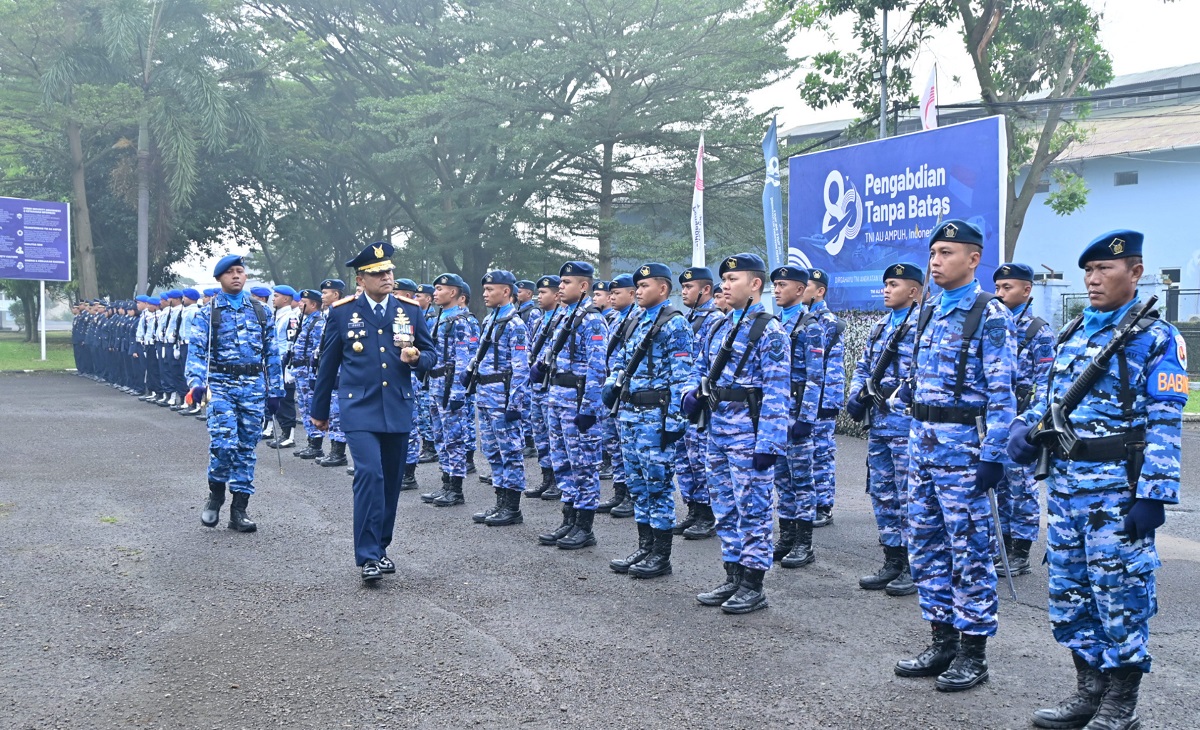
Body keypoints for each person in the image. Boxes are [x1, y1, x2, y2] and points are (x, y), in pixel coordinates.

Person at [1009, 231, 1184, 730]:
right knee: (1071, 596)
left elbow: (1165, 424)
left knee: (1120, 597)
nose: (1092, 279)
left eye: (1104, 270)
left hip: (1116, 495)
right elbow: (1047, 400)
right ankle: (1089, 694)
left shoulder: (1156, 338)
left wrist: (1153, 496)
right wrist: (1024, 426)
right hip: (1066, 492)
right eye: (1087, 271)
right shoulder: (1072, 335)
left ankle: (1119, 707)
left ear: (1135, 271)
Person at [893, 219, 1016, 692]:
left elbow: (1004, 396)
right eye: (933, 253)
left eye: (946, 252)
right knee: (925, 547)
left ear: (973, 258)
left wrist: (993, 456)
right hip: (922, 446)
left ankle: (972, 652)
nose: (936, 261)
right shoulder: (926, 310)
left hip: (964, 451)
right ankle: (941, 638)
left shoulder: (989, 314)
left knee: (968, 552)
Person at [310, 242, 435, 582]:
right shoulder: (341, 312)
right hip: (359, 407)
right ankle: (366, 556)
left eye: (389, 271)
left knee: (392, 481)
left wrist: (417, 358)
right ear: (360, 280)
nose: (387, 277)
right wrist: (319, 411)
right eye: (378, 273)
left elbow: (431, 355)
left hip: (397, 405)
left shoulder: (410, 310)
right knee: (370, 474)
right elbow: (328, 364)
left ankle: (380, 548)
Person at [682, 253, 789, 614]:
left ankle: (753, 583)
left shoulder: (769, 329)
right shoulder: (718, 325)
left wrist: (770, 443)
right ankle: (732, 574)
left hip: (749, 432)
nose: (725, 285)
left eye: (733, 279)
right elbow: (697, 370)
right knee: (725, 507)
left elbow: (777, 391)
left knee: (753, 509)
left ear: (755, 285)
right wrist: (690, 395)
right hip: (717, 429)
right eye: (724, 279)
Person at [604, 263, 693, 578]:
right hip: (629, 415)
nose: (638, 291)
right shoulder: (634, 320)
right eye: (636, 287)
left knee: (657, 486)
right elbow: (620, 359)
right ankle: (645, 546)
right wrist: (611, 383)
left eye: (644, 286)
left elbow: (684, 379)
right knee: (638, 485)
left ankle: (661, 555)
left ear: (663, 289)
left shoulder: (675, 324)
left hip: (655, 417)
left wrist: (674, 424)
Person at [186, 255, 285, 533]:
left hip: (253, 387)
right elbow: (196, 352)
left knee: (246, 449)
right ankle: (216, 493)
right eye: (230, 272)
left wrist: (275, 390)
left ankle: (239, 510)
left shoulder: (260, 311)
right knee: (224, 443)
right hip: (221, 386)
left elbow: (272, 354)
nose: (236, 276)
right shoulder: (208, 312)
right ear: (219, 278)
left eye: (240, 271)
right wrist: (196, 383)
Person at [846, 263, 923, 596]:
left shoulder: (925, 326)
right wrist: (856, 395)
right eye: (886, 284)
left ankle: (914, 565)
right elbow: (863, 367)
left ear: (914, 291)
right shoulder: (879, 327)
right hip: (879, 424)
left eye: (894, 284)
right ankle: (892, 558)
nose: (886, 290)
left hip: (908, 425)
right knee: (883, 492)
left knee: (910, 496)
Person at [532, 261, 608, 550]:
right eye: (560, 283)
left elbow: (597, 369)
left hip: (577, 405)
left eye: (566, 283)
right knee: (563, 464)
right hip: (556, 399)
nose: (560, 287)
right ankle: (569, 519)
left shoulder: (592, 319)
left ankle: (584, 527)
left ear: (584, 286)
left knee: (583, 466)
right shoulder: (564, 316)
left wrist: (589, 409)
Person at [991, 263, 1054, 577]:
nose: (1000, 294)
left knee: (1021, 487)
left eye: (1008, 288)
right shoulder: (992, 324)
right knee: (997, 483)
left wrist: (1032, 422)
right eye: (998, 288)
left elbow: (1046, 381)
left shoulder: (1037, 330)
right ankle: (1000, 545)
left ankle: (1020, 550)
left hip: (1022, 421)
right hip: (995, 418)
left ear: (1027, 290)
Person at [465, 270, 531, 527]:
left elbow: (521, 367)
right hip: (486, 395)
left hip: (503, 398)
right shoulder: (491, 319)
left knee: (510, 451)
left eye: (490, 289)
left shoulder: (514, 324)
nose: (485, 294)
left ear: (506, 291)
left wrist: (515, 404)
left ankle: (512, 507)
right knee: (492, 451)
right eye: (484, 289)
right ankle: (500, 501)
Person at [769, 264, 818, 569]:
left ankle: (804, 542)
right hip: (776, 413)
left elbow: (815, 376)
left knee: (802, 479)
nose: (776, 290)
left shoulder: (810, 325)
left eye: (782, 285)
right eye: (774, 285)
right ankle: (786, 536)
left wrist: (806, 418)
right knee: (782, 479)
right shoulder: (774, 323)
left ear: (800, 290)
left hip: (797, 412)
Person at [419, 273, 479, 507]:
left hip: (449, 386)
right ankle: (445, 483)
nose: (435, 292)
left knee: (453, 439)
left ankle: (456, 489)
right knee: (440, 438)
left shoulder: (461, 320)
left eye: (440, 288)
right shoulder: (442, 318)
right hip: (435, 385)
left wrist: (458, 393)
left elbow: (465, 360)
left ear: (453, 292)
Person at [672, 267, 723, 540]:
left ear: (705, 289)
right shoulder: (690, 319)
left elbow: (708, 364)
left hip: (701, 402)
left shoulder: (715, 320)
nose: (684, 292)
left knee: (702, 459)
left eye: (689, 287)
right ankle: (693, 508)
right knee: (686, 459)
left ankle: (707, 513)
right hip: (686, 399)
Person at [799, 268, 845, 527]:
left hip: (822, 400)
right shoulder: (803, 319)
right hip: (807, 400)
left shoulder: (827, 322)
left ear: (820, 291)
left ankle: (823, 504)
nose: (800, 290)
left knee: (821, 452)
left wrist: (828, 404)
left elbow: (832, 368)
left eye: (806, 286)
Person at [598, 274, 637, 518]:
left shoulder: (635, 319)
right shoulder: (613, 319)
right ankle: (620, 491)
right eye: (610, 293)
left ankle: (631, 495)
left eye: (617, 293)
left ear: (631, 293)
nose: (612, 297)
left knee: (626, 446)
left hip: (625, 390)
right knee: (613, 443)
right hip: (610, 387)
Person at [524, 275, 564, 500]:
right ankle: (546, 477)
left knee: (554, 436)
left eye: (544, 292)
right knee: (541, 435)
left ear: (557, 295)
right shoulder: (539, 320)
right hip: (536, 386)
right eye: (538, 292)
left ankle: (558, 480)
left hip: (551, 386)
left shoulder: (562, 319)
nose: (539, 297)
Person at [315, 279, 350, 467]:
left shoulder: (342, 314)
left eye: (326, 293)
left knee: (338, 411)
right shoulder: (327, 314)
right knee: (332, 410)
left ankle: (339, 452)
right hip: (329, 366)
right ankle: (333, 449)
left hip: (339, 370)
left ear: (336, 295)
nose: (322, 296)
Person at [291, 290, 327, 459]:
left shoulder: (318, 323)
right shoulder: (306, 321)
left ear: (313, 304)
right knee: (304, 406)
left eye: (303, 301)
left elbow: (319, 349)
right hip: (300, 371)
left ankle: (316, 444)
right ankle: (310, 441)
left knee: (310, 405)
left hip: (308, 371)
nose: (299, 303)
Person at [266, 285, 300, 446]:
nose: (273, 298)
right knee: (275, 396)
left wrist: (289, 366)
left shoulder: (290, 317)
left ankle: (289, 435)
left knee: (286, 398)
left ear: (286, 299)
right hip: (274, 361)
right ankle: (283, 431)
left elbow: (291, 343)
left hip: (283, 361)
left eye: (277, 296)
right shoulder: (277, 315)